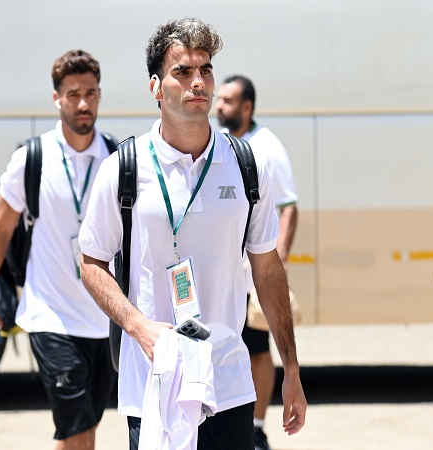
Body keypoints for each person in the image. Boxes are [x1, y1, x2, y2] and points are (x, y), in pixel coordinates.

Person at [79, 17, 307, 450]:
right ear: (155, 87)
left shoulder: (247, 165)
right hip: (153, 382)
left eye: (205, 69)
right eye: (182, 71)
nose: (197, 82)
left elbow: (267, 268)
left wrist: (292, 369)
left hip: (228, 382)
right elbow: (91, 263)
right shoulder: (123, 168)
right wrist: (138, 326)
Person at [0, 49, 117, 450]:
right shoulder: (31, 159)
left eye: (90, 93)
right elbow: (0, 231)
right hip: (51, 317)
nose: (83, 104)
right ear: (57, 99)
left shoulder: (117, 158)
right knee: (77, 429)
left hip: (104, 319)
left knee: (84, 429)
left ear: (100, 95)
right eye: (73, 94)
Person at [216, 75, 298, 450]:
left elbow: (289, 206)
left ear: (247, 107)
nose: (219, 106)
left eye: (228, 101)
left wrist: (277, 261)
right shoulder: (221, 143)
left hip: (254, 273)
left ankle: (258, 427)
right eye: (220, 99)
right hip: (227, 272)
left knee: (258, 349)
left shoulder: (266, 147)